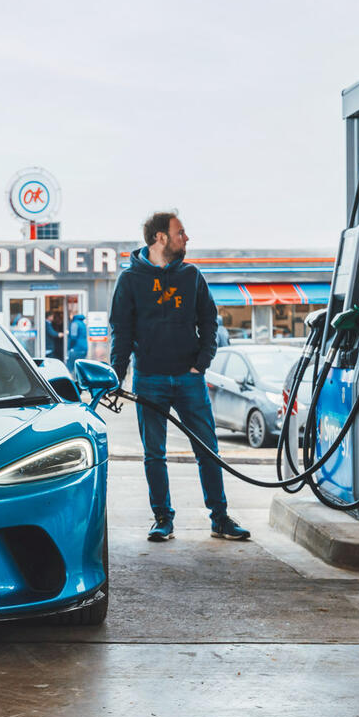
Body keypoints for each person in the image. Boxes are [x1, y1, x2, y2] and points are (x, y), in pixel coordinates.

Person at [109, 211, 250, 542]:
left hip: (189, 379)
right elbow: (122, 332)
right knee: (154, 454)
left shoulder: (191, 275)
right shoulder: (130, 281)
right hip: (149, 380)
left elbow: (210, 321)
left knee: (207, 449)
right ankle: (162, 518)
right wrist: (116, 376)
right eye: (180, 233)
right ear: (160, 238)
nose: (186, 239)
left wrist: (201, 363)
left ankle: (220, 517)